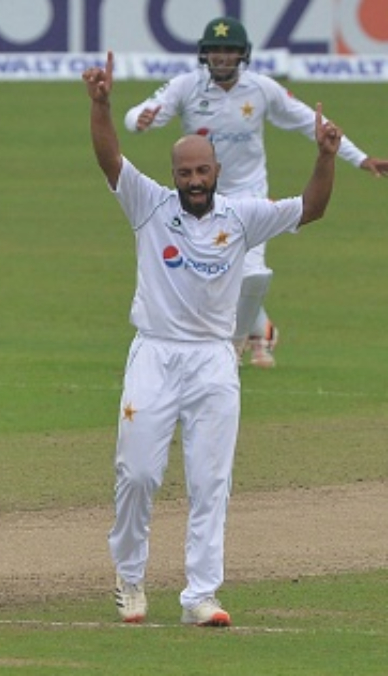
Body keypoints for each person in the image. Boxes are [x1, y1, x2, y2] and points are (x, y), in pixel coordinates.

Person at [82, 51, 341, 626]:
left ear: (216, 172)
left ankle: (201, 596)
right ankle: (129, 578)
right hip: (154, 352)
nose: (194, 182)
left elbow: (313, 209)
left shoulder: (242, 215)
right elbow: (110, 159)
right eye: (185, 174)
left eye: (202, 172)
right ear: (173, 175)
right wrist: (102, 105)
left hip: (213, 361)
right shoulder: (148, 205)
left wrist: (325, 158)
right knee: (139, 473)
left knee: (210, 482)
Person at [123, 16, 388, 368]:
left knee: (250, 274)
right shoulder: (188, 86)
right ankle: (261, 328)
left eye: (229, 51)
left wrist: (360, 158)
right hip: (200, 195)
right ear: (204, 55)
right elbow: (141, 113)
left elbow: (315, 123)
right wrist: (139, 120)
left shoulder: (262, 88)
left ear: (242, 55)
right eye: (214, 51)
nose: (221, 58)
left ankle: (231, 347)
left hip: (249, 196)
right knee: (207, 269)